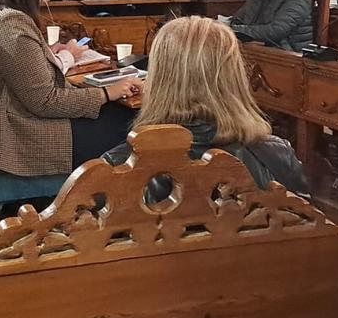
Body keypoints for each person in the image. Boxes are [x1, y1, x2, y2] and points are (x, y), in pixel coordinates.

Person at [0, 0, 142, 176]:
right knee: (139, 126)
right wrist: (108, 92)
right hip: (29, 137)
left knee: (126, 114)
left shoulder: (2, 14)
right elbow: (44, 101)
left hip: (27, 123)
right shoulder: (9, 24)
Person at [102, 16, 310, 197]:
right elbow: (309, 230)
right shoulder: (277, 156)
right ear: (234, 78)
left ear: (158, 79)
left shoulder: (116, 167)